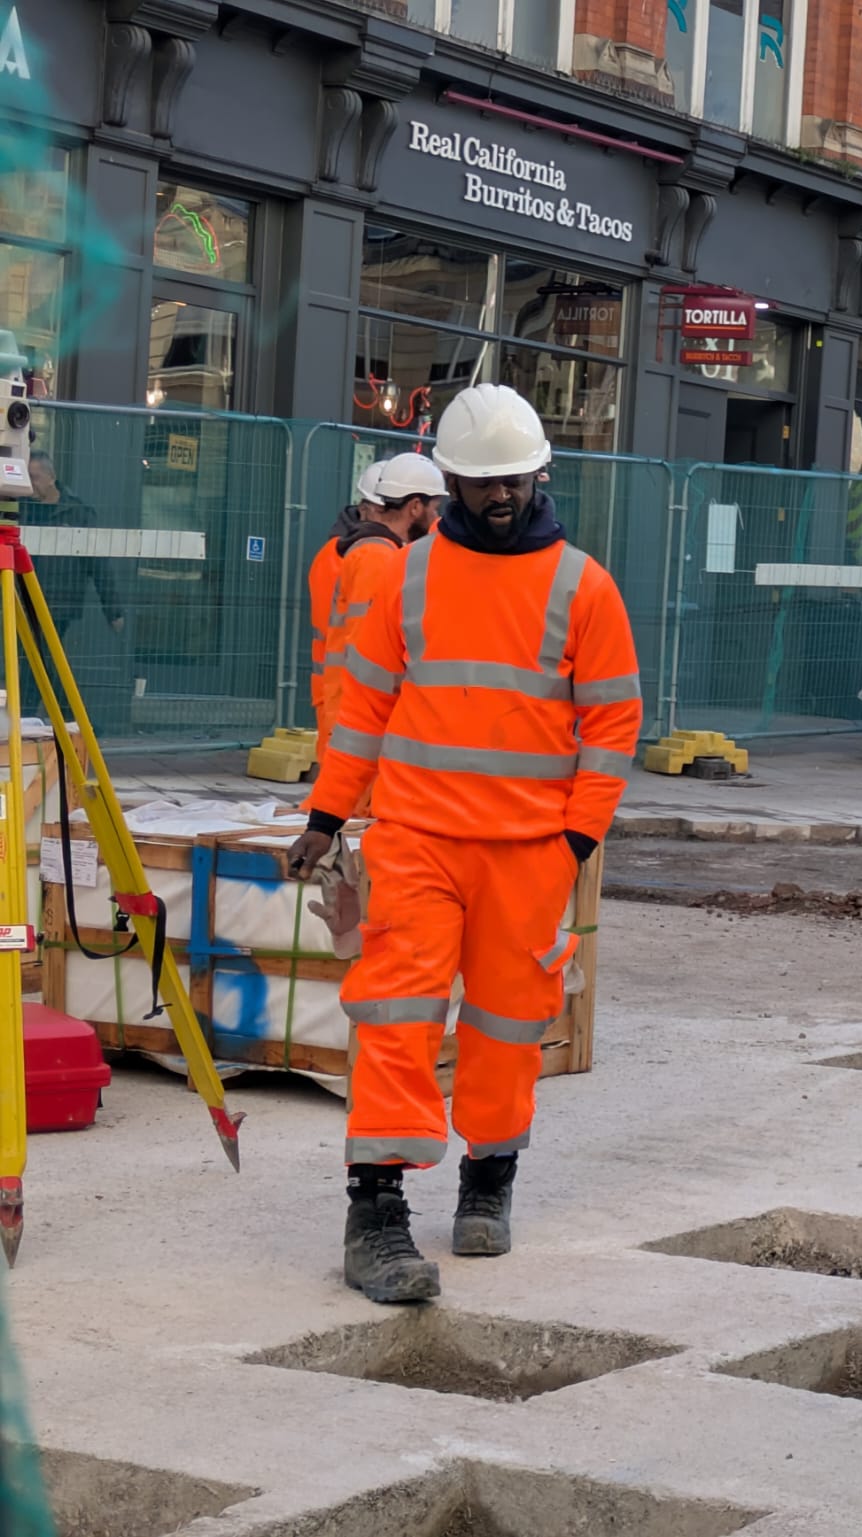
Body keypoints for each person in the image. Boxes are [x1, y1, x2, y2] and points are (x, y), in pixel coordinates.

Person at [285, 384, 642, 1305]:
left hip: (529, 851)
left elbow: (612, 726)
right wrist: (327, 816)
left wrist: (575, 840)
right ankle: (377, 1212)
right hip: (415, 838)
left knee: (505, 1026)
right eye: (479, 482)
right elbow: (362, 707)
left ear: (539, 474)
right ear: (445, 481)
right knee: (395, 1017)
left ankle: (490, 1175)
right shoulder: (406, 576)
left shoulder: (583, 586)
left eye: (512, 481)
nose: (498, 497)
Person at [317, 453, 442, 811]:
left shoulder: (376, 552)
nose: (437, 517)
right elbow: (371, 650)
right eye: (434, 508)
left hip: (351, 710)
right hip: (360, 717)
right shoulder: (379, 557)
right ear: (415, 507)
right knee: (355, 820)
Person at [20, 452, 130, 732]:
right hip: (24, 599)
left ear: (51, 477)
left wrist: (113, 609)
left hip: (60, 600)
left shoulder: (78, 513)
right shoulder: (20, 509)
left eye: (34, 478)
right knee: (41, 659)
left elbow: (99, 563)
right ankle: (63, 720)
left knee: (41, 657)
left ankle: (61, 718)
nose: (30, 485)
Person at [308, 464, 384, 769]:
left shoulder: (351, 552)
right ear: (364, 509)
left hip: (345, 692)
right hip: (340, 694)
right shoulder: (341, 557)